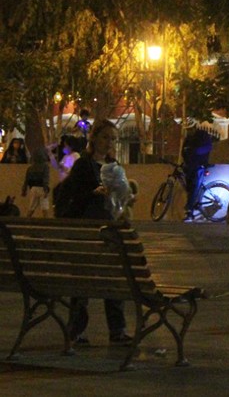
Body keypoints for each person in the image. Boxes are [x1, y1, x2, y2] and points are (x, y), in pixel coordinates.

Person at [62, 119, 131, 346]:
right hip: (88, 229)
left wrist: (125, 197)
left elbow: (119, 198)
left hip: (107, 227)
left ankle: (117, 329)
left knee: (112, 278)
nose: (109, 142)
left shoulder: (113, 164)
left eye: (113, 138)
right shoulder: (84, 165)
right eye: (105, 137)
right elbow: (76, 196)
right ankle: (77, 330)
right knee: (85, 280)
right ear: (94, 138)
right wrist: (95, 192)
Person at [181, 118, 213, 220]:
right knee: (189, 188)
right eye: (187, 129)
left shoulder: (203, 135)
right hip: (189, 165)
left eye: (190, 129)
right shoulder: (188, 139)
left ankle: (189, 211)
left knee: (195, 186)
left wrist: (195, 152)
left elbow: (208, 147)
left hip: (199, 165)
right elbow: (184, 151)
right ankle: (192, 204)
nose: (189, 131)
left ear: (195, 127)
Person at [22, 147, 51, 218]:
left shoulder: (30, 168)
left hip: (33, 188)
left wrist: (24, 190)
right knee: (45, 208)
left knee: (31, 207)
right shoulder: (45, 167)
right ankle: (47, 224)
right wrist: (46, 189)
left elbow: (26, 180)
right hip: (42, 188)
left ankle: (26, 221)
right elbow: (45, 179)